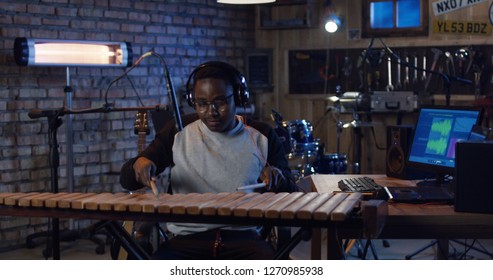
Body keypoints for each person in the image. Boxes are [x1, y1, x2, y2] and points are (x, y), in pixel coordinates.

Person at [119, 61, 299, 259]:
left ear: (238, 97)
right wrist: (139, 165)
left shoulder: (262, 135)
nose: (211, 112)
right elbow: (127, 180)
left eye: (220, 102)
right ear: (192, 101)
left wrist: (278, 177)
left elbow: (292, 193)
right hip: (186, 240)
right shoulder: (178, 130)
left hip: (244, 239)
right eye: (202, 104)